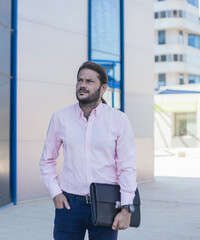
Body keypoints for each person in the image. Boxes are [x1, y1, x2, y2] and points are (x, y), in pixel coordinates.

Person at [39, 61, 137, 240]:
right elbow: (47, 160)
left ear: (103, 88)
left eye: (89, 81)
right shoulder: (60, 118)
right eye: (80, 80)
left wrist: (126, 208)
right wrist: (55, 193)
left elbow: (126, 167)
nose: (82, 85)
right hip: (69, 205)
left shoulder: (118, 120)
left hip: (106, 203)